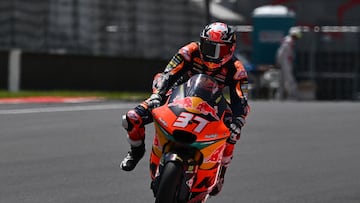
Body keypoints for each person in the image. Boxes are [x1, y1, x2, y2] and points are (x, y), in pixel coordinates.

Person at [120, 22, 250, 196]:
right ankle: (136, 151)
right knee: (132, 117)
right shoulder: (189, 51)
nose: (212, 55)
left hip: (214, 106)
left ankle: (221, 172)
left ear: (230, 50)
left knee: (233, 132)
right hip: (179, 97)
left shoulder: (236, 69)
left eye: (220, 50)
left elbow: (240, 98)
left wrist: (238, 119)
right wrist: (157, 94)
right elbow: (168, 73)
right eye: (208, 47)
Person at [276, 27, 302, 100]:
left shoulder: (288, 40)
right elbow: (281, 52)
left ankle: (279, 96)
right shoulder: (288, 41)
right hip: (285, 62)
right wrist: (280, 61)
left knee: (282, 79)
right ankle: (293, 95)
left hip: (284, 61)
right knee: (289, 79)